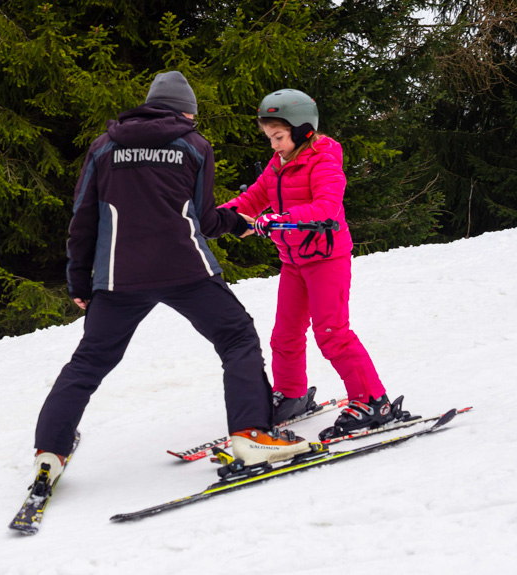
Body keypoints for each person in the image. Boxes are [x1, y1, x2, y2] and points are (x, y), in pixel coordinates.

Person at [32, 71, 311, 481]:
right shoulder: (194, 146)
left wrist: (79, 280)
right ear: (186, 112)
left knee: (89, 362)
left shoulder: (103, 147)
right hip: (186, 269)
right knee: (236, 337)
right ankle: (252, 435)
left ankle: (49, 453)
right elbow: (202, 216)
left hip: (118, 276)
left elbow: (83, 219)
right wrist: (236, 224)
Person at [222, 89, 400, 441]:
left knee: (332, 333)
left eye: (278, 137)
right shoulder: (280, 163)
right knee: (284, 336)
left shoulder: (324, 159)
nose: (273, 145)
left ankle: (373, 401)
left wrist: (279, 219)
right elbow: (254, 197)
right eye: (269, 138)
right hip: (293, 261)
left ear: (303, 129)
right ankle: (291, 395)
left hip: (326, 259)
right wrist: (219, 216)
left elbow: (326, 206)